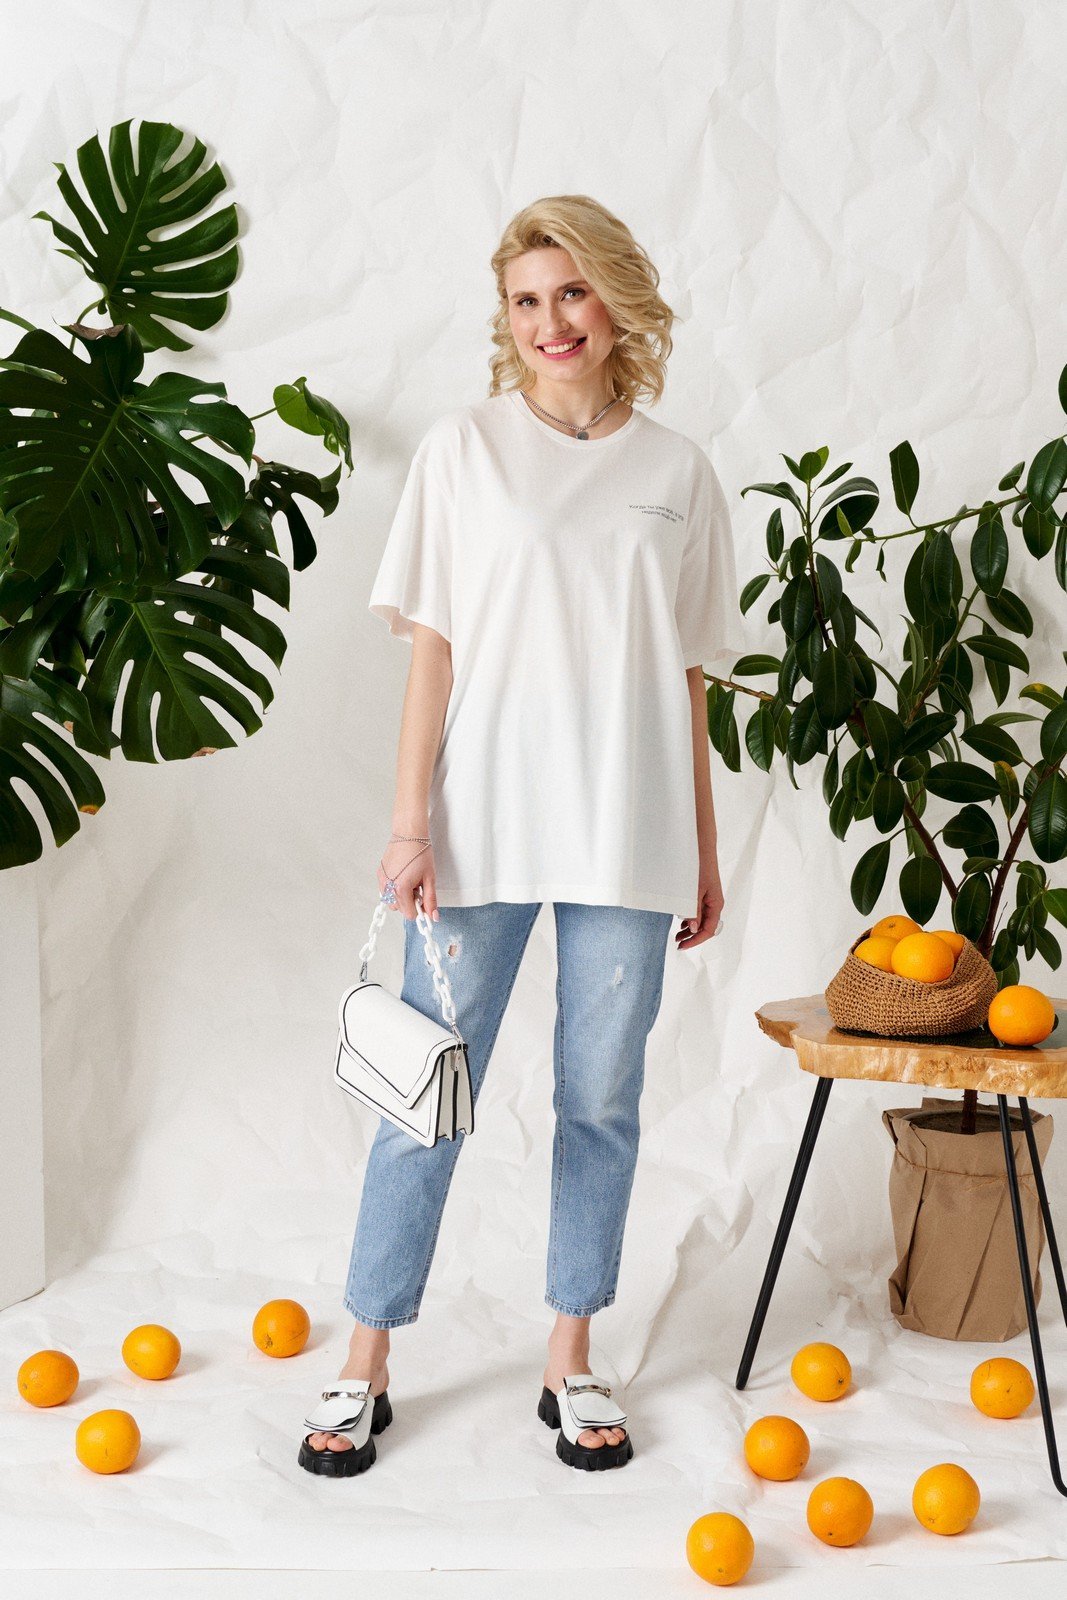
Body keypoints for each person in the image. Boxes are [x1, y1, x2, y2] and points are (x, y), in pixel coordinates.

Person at [299, 194, 745, 1478]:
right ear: (505, 319)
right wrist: (407, 825)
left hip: (629, 831)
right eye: (525, 300)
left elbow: (685, 676)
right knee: (424, 1095)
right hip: (477, 826)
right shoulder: (463, 451)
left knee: (599, 1097)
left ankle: (570, 1351)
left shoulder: (677, 473)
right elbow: (432, 654)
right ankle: (365, 1356)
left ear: (616, 299)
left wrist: (701, 849)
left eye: (572, 291)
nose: (552, 321)